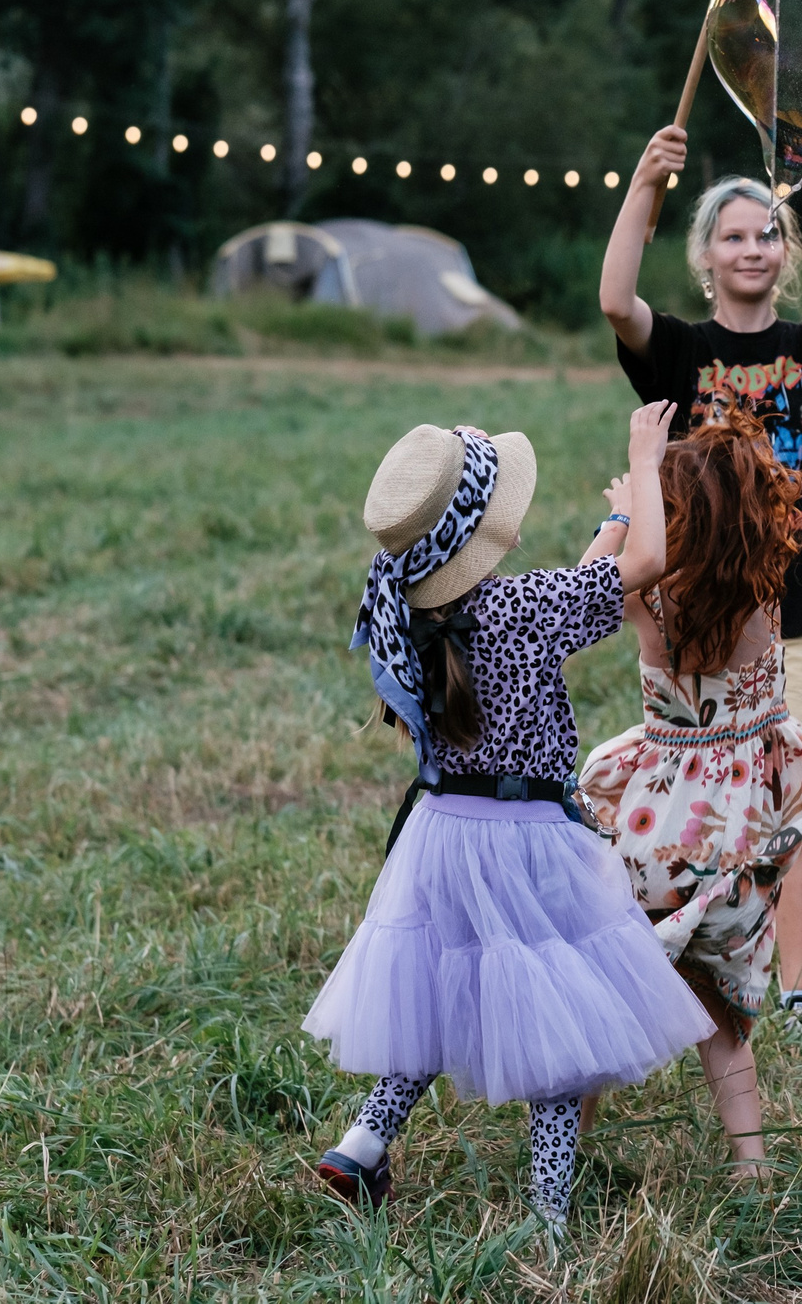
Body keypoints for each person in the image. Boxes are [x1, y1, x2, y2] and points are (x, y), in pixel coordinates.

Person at [304, 407, 714, 1225]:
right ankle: (550, 1218)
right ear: (487, 535)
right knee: (555, 1033)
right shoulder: (523, 607)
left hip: (444, 833)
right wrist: (642, 460)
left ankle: (362, 1143)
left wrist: (619, 517)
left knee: (436, 990)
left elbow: (591, 581)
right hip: (527, 841)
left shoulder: (418, 617)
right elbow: (646, 565)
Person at [601, 123, 802, 1029]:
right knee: (702, 811)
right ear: (705, 255)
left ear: (787, 255)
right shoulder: (679, 353)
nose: (752, 246)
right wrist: (643, 184)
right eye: (734, 234)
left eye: (767, 233)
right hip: (696, 626)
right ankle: (693, 978)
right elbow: (614, 297)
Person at [578, 409, 802, 1175]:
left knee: (614, 989)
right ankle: (751, 1166)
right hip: (735, 837)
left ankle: (573, 1144)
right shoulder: (763, 599)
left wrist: (622, 517)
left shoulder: (651, 601)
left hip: (652, 830)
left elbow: (580, 584)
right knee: (722, 1015)